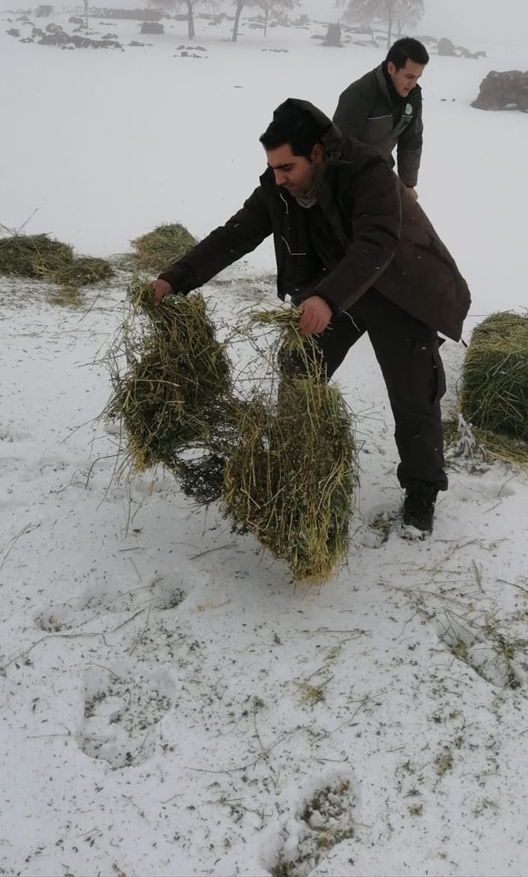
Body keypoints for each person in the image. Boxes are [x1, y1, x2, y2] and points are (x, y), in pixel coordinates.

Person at [151, 99, 471, 538]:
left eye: (287, 167)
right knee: (298, 368)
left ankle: (421, 492)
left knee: (415, 393)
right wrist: (175, 278)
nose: (279, 178)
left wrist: (326, 298)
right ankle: (293, 463)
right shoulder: (278, 188)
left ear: (317, 154)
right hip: (333, 291)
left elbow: (376, 243)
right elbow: (234, 236)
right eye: (273, 168)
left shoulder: (368, 173)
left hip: (399, 289)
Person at [333, 37, 430, 199]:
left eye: (418, 77)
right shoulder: (359, 95)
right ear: (391, 68)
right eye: (409, 76)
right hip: (349, 177)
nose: (413, 84)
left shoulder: (413, 96)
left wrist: (408, 185)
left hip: (381, 170)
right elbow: (340, 147)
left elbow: (411, 142)